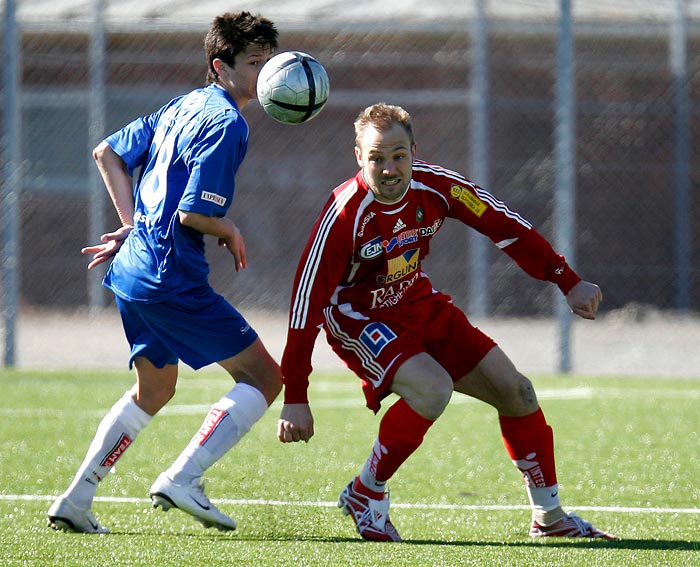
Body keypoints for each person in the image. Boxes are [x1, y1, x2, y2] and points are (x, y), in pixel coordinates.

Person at [277, 102, 617, 542]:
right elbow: (304, 307)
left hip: (419, 302)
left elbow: (502, 224)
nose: (389, 167)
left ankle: (549, 518)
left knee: (517, 392)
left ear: (414, 151)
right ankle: (368, 492)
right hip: (357, 316)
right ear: (359, 157)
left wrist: (566, 280)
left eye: (399, 155)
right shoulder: (344, 215)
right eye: (377, 157)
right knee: (432, 388)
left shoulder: (438, 187)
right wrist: (296, 396)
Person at [47, 12, 282, 534]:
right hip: (168, 272)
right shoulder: (228, 122)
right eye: (254, 63)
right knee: (265, 378)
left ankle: (76, 499)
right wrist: (230, 230)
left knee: (154, 390)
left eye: (270, 63)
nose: (265, 74)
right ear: (220, 67)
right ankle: (184, 479)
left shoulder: (184, 104)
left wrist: (132, 225)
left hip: (134, 268)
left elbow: (106, 151)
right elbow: (195, 213)